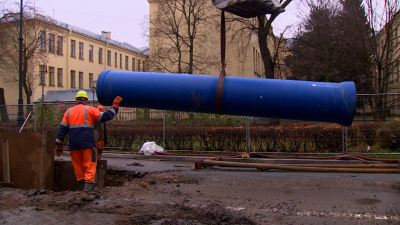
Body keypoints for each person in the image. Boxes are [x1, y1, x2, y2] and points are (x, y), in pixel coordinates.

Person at [54, 90, 122, 192]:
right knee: (90, 165)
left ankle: (81, 191)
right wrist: (115, 106)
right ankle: (88, 191)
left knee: (78, 168)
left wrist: (58, 145)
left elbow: (62, 130)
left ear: (75, 101)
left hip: (74, 146)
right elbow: (106, 116)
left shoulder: (68, 112)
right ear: (86, 101)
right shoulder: (90, 110)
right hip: (88, 144)